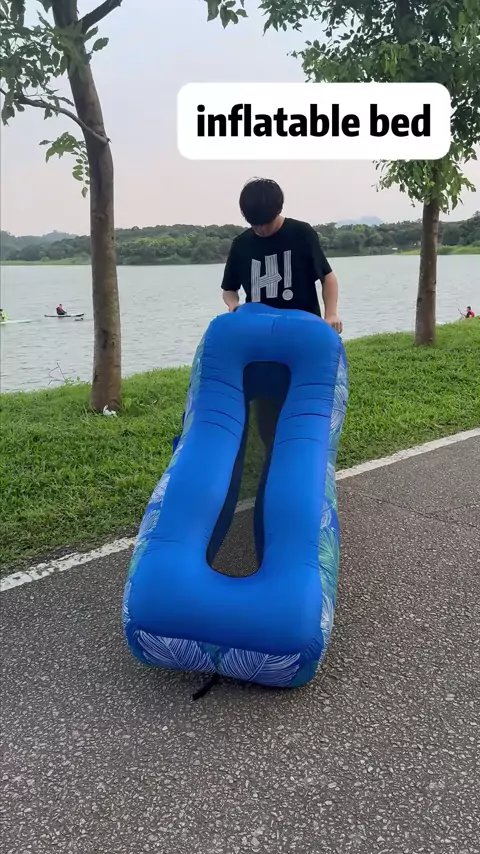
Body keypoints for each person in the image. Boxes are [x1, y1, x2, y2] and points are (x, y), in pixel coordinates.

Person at [221, 177, 342, 453]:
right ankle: (274, 460)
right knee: (267, 411)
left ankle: (306, 455)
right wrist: (233, 306)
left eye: (266, 222)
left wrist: (331, 313)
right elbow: (229, 289)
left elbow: (328, 278)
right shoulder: (241, 244)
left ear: (279, 209)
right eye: (255, 224)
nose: (261, 229)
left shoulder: (301, 234)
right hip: (261, 340)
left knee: (303, 403)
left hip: (303, 338)